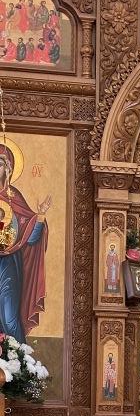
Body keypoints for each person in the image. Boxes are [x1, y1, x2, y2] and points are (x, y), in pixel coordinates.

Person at [0, 143, 49, 343]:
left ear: (8, 169)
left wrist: (40, 216)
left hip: (8, 265)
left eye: (0, 163)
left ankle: (18, 357)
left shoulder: (15, 198)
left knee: (9, 317)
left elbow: (30, 238)